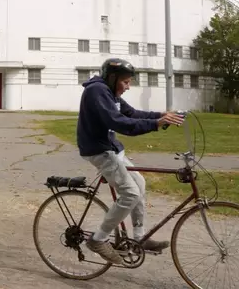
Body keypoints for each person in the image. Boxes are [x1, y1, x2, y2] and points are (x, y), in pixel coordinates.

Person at [77, 58, 184, 265]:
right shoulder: (96, 91)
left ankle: (139, 237)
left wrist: (161, 115)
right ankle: (98, 239)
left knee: (140, 184)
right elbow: (119, 122)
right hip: (99, 150)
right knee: (131, 193)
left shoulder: (109, 92)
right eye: (125, 82)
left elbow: (131, 113)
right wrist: (155, 124)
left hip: (112, 149)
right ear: (112, 77)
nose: (128, 86)